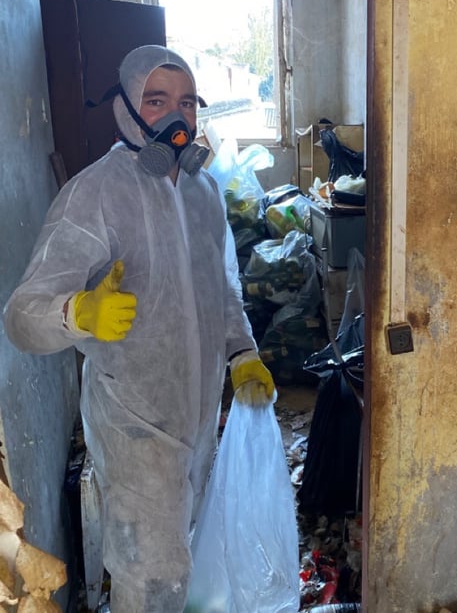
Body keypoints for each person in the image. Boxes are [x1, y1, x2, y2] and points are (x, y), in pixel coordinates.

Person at [3, 45, 275, 613]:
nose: (175, 117)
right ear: (125, 108)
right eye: (157, 101)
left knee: (187, 560)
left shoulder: (204, 194)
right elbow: (21, 315)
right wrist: (79, 313)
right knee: (150, 580)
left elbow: (222, 289)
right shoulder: (95, 194)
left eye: (186, 103)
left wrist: (242, 353)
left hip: (198, 422)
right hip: (135, 429)